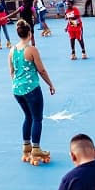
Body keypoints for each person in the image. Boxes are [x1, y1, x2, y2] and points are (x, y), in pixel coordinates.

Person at [10, 20, 56, 165]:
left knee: (27, 116)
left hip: (17, 90)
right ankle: (36, 148)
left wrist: (18, 83)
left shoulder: (12, 50)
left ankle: (26, 147)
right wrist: (50, 84)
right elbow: (41, 70)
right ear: (30, 33)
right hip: (32, 89)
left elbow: (12, 71)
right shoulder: (31, 50)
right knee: (37, 118)